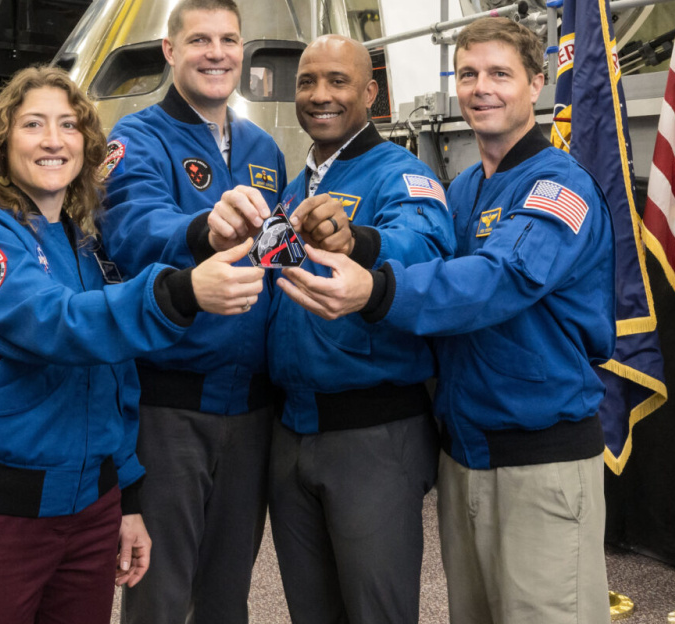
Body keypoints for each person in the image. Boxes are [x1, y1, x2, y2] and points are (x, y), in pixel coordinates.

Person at [276, 17, 615, 624]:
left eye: (500, 74)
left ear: (536, 83)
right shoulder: (463, 193)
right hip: (466, 457)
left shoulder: (559, 187)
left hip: (539, 460)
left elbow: (497, 280)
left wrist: (375, 291)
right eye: (468, 74)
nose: (481, 88)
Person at [0, 66, 264, 624]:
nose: (53, 140)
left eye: (68, 126)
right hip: (0, 513)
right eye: (33, 124)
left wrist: (127, 501)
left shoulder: (87, 249)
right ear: (3, 142)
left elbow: (117, 380)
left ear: (86, 144)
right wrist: (179, 291)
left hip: (91, 514)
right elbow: (56, 324)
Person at [211, 34, 454, 623]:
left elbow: (424, 246)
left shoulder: (401, 175)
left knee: (376, 612)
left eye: (338, 82)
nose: (320, 95)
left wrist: (361, 241)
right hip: (292, 434)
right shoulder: (296, 186)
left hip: (371, 435)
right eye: (307, 82)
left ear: (371, 93)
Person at [99, 1, 286, 622]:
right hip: (172, 404)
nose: (217, 53)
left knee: (228, 595)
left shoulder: (264, 149)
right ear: (170, 52)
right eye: (200, 39)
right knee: (159, 593)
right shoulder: (136, 138)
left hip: (254, 409)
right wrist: (203, 228)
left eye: (229, 39)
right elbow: (133, 228)